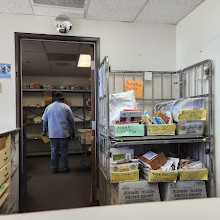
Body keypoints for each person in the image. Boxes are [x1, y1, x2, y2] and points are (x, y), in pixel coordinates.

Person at [42, 92, 75, 173]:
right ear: (62, 99)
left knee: (54, 151)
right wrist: (73, 131)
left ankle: (54, 168)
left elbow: (44, 121)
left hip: (52, 133)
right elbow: (71, 121)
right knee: (64, 151)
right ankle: (64, 168)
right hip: (63, 133)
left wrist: (43, 130)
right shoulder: (66, 107)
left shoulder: (48, 107)